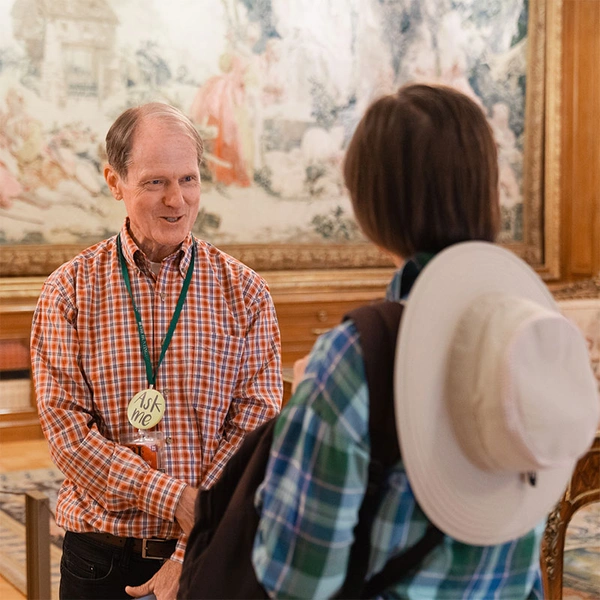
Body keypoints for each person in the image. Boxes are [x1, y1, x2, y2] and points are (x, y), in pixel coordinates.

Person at [250, 84, 599, 598]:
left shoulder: (354, 358)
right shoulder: (538, 335)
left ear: (372, 207)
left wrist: (309, 397)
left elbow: (298, 579)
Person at [30, 102, 283, 600]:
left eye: (189, 180)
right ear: (114, 181)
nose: (177, 200)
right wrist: (177, 498)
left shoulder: (246, 294)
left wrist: (189, 548)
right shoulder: (68, 292)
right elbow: (68, 435)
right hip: (99, 561)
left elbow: (254, 433)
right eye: (155, 182)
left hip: (210, 554)